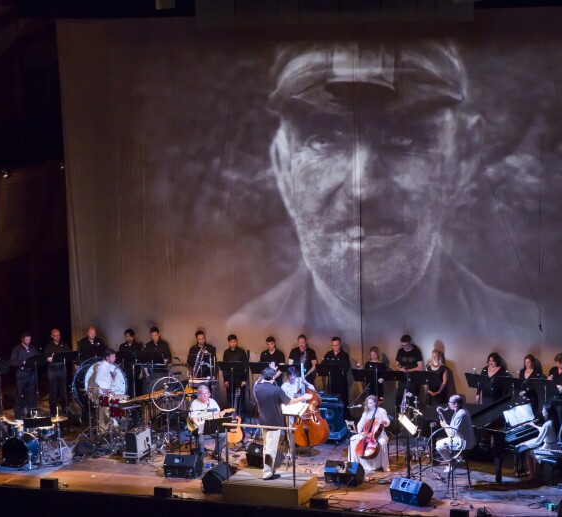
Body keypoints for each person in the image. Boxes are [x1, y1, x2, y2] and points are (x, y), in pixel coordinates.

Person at [227, 41, 540, 346]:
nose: (362, 189)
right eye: (324, 140)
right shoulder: (245, 334)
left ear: (463, 158)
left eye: (403, 139)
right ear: (283, 167)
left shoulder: (529, 334)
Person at [253, 366, 312, 480]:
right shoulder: (277, 390)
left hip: (263, 421)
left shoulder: (257, 387)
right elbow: (289, 401)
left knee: (266, 447)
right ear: (273, 377)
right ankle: (267, 473)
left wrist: (269, 371)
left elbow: (260, 380)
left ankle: (268, 470)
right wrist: (303, 397)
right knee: (271, 449)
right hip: (274, 422)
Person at [348, 395, 391, 472]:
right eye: (367, 403)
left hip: (379, 434)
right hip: (367, 434)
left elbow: (387, 421)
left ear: (375, 403)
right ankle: (355, 463)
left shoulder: (382, 411)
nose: (368, 405)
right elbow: (361, 423)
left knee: (383, 442)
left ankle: (385, 466)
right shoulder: (366, 412)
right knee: (353, 439)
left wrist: (383, 421)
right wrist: (360, 431)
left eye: (370, 403)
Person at [435, 394, 476, 473]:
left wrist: (445, 425)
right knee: (441, 443)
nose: (448, 404)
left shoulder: (461, 414)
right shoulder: (461, 411)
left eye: (450, 402)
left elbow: (454, 432)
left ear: (456, 404)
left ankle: (452, 463)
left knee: (439, 445)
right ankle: (456, 459)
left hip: (463, 442)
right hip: (461, 438)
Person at [519, 404, 560, 478]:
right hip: (555, 447)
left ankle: (532, 475)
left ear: (547, 412)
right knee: (535, 450)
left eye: (543, 410)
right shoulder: (554, 422)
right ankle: (536, 473)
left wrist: (525, 444)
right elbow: (544, 431)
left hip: (549, 449)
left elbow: (537, 441)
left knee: (528, 453)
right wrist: (535, 426)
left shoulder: (547, 425)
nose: (542, 411)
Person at [188, 384, 227, 460]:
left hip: (210, 426)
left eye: (206, 394)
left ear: (209, 394)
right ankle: (202, 452)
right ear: (198, 395)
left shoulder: (212, 401)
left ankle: (216, 453)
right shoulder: (195, 403)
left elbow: (217, 415)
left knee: (223, 434)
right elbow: (193, 417)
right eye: (203, 394)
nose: (205, 396)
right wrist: (200, 426)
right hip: (198, 426)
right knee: (201, 432)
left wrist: (221, 414)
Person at [10, 331, 40, 420]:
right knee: (20, 395)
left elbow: (38, 357)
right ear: (22, 339)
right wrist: (22, 362)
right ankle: (19, 416)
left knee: (31, 395)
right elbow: (12, 361)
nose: (28, 341)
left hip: (31, 374)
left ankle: (31, 414)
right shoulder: (17, 349)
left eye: (29, 340)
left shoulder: (33, 348)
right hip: (21, 374)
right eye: (26, 340)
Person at [43, 328, 71, 417]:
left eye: (59, 335)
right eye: (56, 336)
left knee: (63, 390)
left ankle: (65, 409)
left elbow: (69, 355)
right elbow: (45, 358)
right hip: (52, 369)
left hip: (62, 369)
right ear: (52, 336)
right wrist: (48, 359)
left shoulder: (64, 345)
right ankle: (53, 411)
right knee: (53, 391)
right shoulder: (49, 346)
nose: (58, 337)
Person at [93, 349, 124, 430]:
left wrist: (113, 375)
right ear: (107, 357)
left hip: (108, 390)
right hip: (104, 393)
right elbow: (97, 381)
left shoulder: (109, 365)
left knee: (111, 412)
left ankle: (113, 429)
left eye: (115, 356)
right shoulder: (102, 367)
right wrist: (103, 389)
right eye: (113, 356)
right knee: (105, 413)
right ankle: (104, 431)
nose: (115, 358)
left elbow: (109, 378)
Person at [221, 334, 249, 414]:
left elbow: (246, 367)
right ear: (229, 343)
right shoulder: (226, 352)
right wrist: (225, 380)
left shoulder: (242, 352)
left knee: (241, 397)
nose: (233, 343)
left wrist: (244, 379)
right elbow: (224, 367)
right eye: (231, 342)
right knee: (230, 396)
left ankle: (241, 414)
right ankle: (231, 414)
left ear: (236, 342)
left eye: (234, 341)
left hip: (240, 378)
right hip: (230, 378)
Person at [395, 335, 423, 410]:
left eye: (406, 345)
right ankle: (399, 416)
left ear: (410, 343)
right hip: (402, 379)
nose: (404, 347)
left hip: (414, 379)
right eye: (403, 345)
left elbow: (420, 367)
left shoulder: (416, 352)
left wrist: (409, 370)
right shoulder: (400, 351)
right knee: (399, 398)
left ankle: (412, 417)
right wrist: (401, 369)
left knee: (412, 400)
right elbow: (396, 365)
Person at [320, 336, 351, 405]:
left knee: (343, 400)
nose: (335, 347)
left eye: (337, 345)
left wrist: (340, 369)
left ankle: (345, 415)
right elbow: (322, 366)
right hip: (331, 382)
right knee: (331, 400)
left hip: (341, 382)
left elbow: (347, 367)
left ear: (340, 345)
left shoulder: (344, 355)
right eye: (333, 345)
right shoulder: (328, 354)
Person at [142, 326, 171, 391]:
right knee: (149, 387)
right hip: (151, 370)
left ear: (159, 334)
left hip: (162, 370)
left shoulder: (164, 344)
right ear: (150, 336)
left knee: (160, 387)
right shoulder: (148, 345)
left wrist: (166, 360)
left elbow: (169, 357)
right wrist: (145, 371)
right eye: (152, 335)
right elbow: (144, 359)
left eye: (155, 335)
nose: (154, 337)